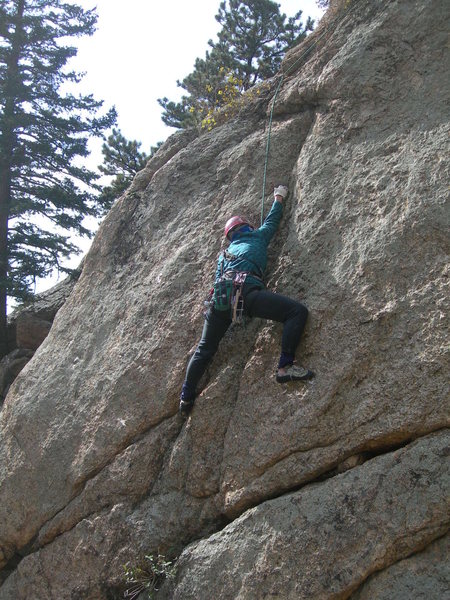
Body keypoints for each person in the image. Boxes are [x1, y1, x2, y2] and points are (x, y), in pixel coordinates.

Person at [179, 184, 314, 417]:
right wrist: (279, 197)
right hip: (246, 291)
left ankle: (186, 397)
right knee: (296, 312)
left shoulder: (224, 255)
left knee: (204, 349)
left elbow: (216, 281)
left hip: (219, 300)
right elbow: (273, 220)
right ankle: (285, 367)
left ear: (229, 236)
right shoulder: (257, 236)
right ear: (246, 227)